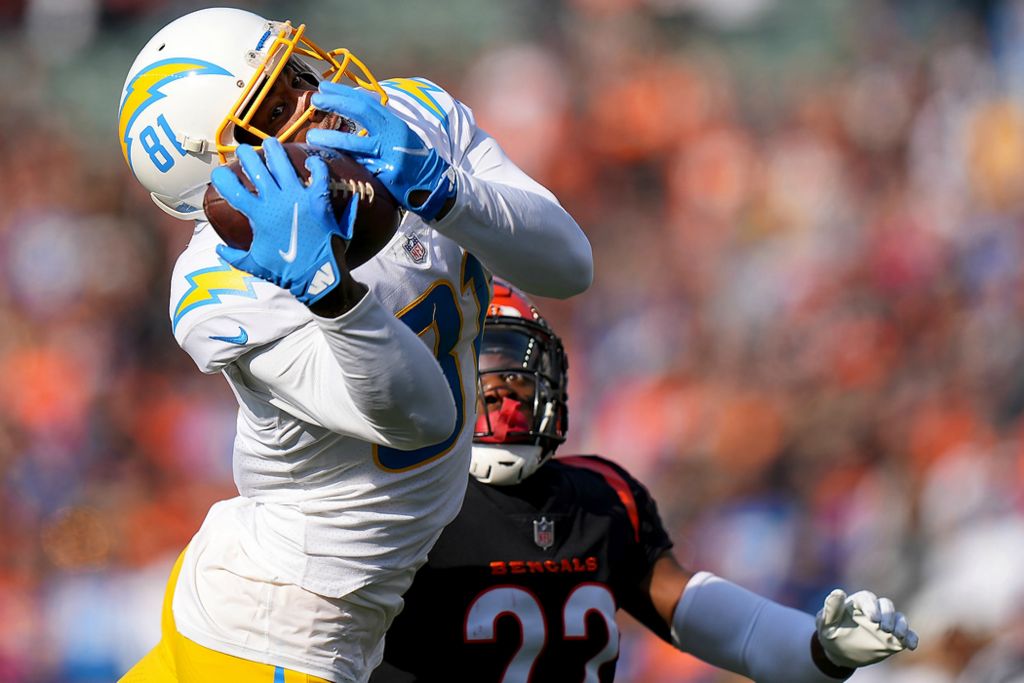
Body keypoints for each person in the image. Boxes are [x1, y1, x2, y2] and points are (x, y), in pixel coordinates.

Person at [115, 7, 592, 683]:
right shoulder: (218, 287)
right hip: (280, 636)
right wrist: (326, 291)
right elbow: (420, 417)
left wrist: (446, 189)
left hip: (264, 607)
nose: (315, 102)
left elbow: (570, 265)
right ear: (225, 178)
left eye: (297, 72)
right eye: (276, 106)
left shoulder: (411, 116)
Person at [370, 279, 918, 683]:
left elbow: (729, 631)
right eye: (485, 371)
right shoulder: (391, 498)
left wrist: (824, 650)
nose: (506, 391)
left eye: (517, 369)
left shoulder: (601, 497)